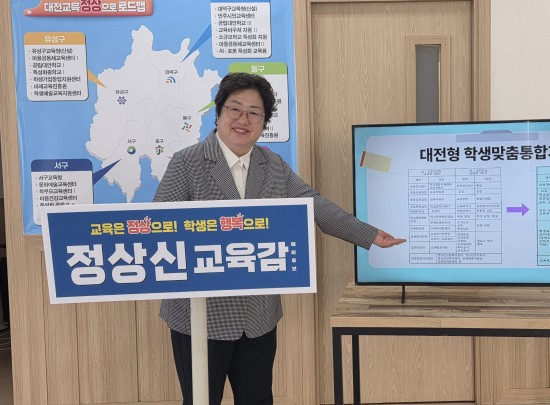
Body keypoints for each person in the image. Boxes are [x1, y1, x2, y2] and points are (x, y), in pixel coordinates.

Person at [153, 72, 405, 405]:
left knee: (258, 400)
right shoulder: (187, 162)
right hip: (200, 316)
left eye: (254, 113)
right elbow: (160, 226)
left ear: (264, 122)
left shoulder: (273, 165)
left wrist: (370, 235)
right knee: (201, 400)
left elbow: (314, 205)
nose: (243, 119)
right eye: (235, 109)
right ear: (219, 112)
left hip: (258, 316)